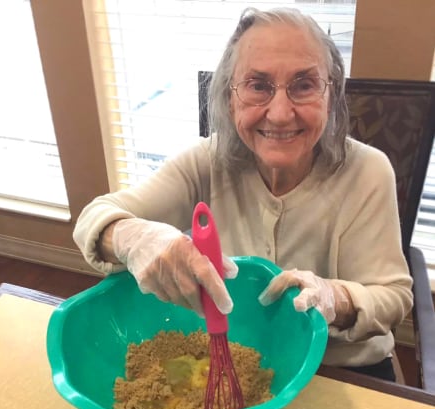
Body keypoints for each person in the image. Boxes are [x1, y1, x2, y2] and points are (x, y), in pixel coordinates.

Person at [73, 7, 413, 382]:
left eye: (304, 85)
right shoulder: (207, 161)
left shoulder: (368, 171)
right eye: (257, 85)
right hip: (245, 361)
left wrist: (336, 299)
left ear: (331, 94)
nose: (281, 114)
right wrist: (135, 238)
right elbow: (95, 216)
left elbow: (394, 296)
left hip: (342, 373)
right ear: (230, 97)